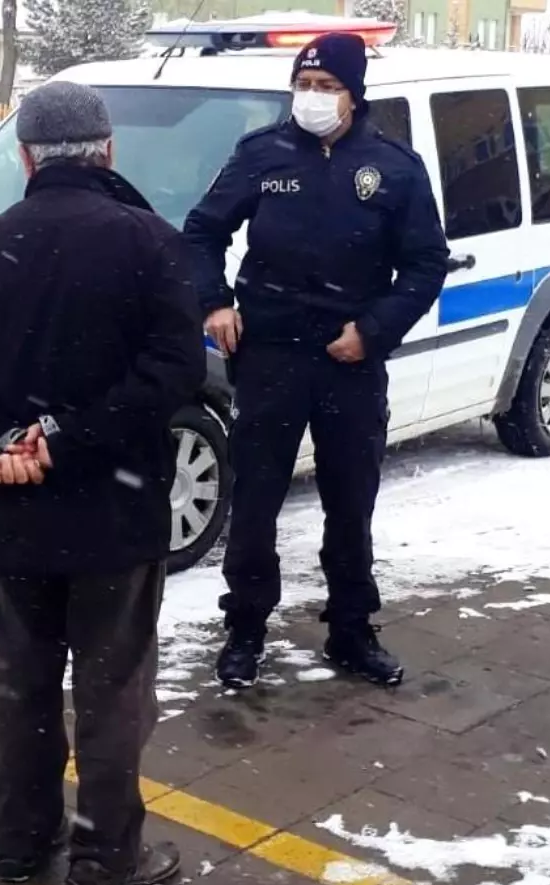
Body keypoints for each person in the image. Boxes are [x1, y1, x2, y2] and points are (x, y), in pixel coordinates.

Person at [0, 81, 205, 885]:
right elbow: (173, 372)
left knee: (23, 685)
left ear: (24, 157)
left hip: (19, 515)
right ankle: (105, 862)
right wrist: (70, 437)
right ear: (108, 151)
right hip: (116, 514)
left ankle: (21, 843)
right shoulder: (150, 243)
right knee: (112, 696)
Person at [182, 33, 447, 690]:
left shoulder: (394, 168)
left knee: (350, 504)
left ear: (355, 95)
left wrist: (374, 329)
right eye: (304, 85)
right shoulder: (261, 154)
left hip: (349, 360)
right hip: (269, 354)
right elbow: (201, 232)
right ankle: (244, 628)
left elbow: (424, 264)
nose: (312, 99)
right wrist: (214, 303)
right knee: (256, 501)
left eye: (327, 87)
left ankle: (352, 630)